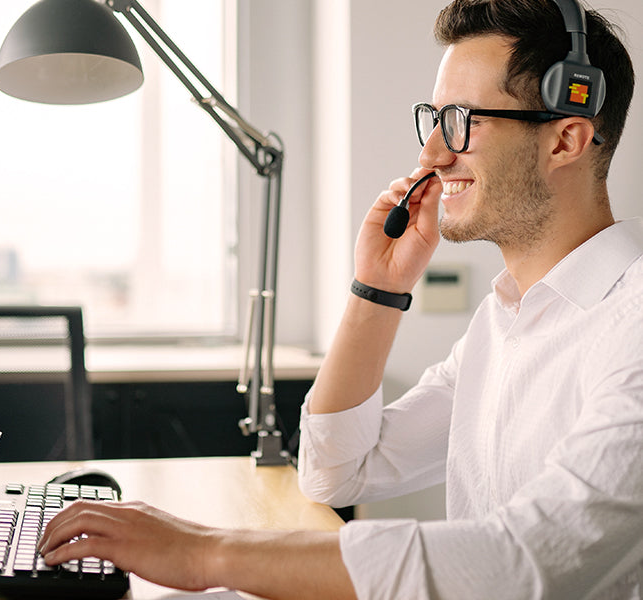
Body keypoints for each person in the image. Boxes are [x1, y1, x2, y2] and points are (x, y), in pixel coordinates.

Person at [38, 0, 640, 597]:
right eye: (432, 118)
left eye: (461, 120)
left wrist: (204, 554)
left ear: (566, 140)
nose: (432, 153)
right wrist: (377, 290)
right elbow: (335, 472)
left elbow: (520, 562)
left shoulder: (630, 327)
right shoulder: (506, 321)